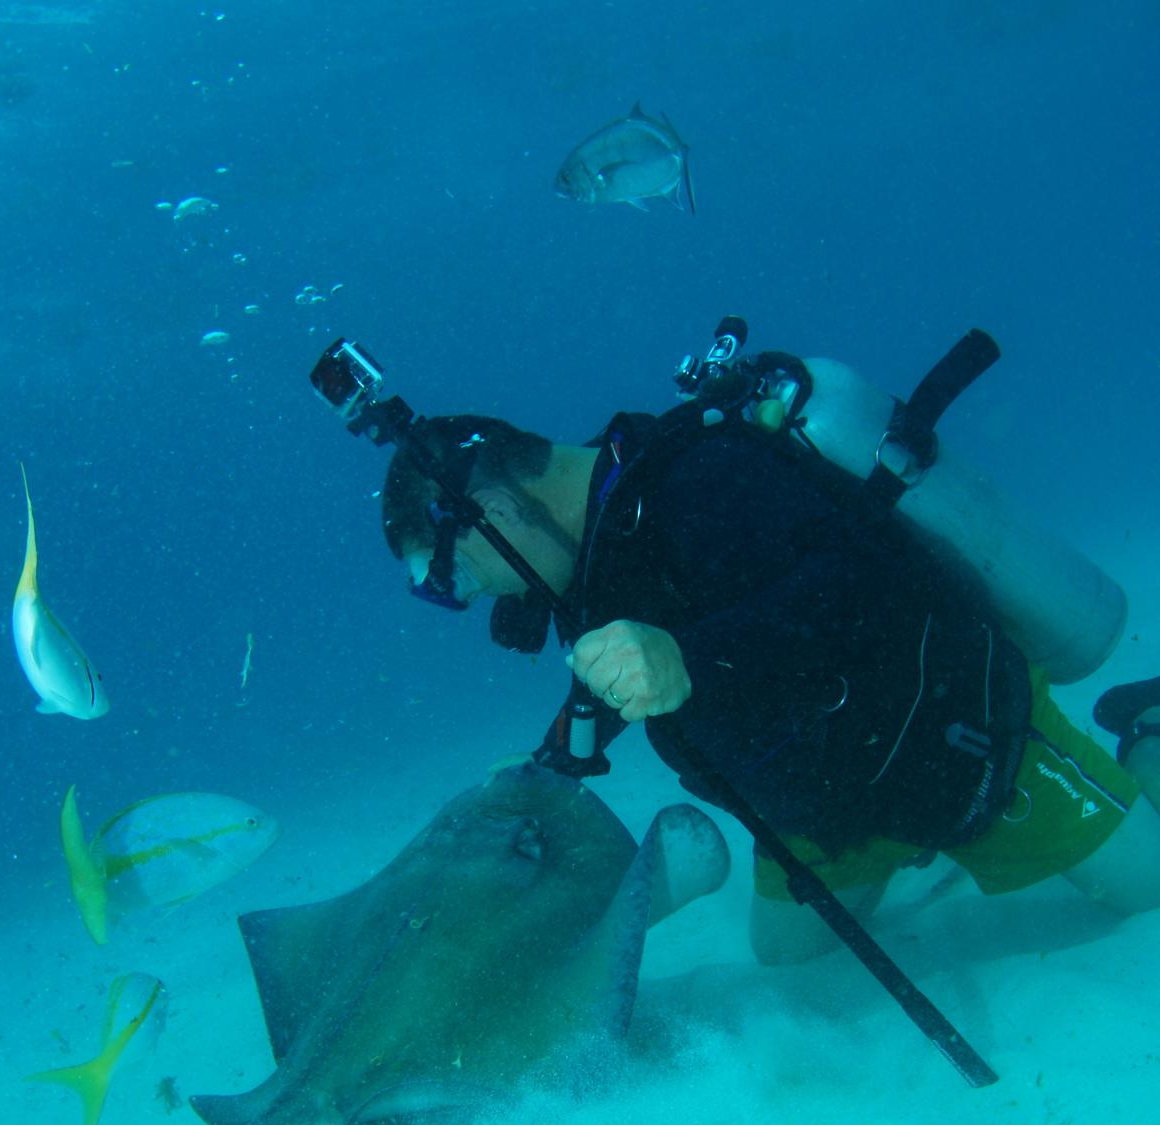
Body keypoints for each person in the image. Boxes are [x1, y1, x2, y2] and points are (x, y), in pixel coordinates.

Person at [377, 352, 1160, 966]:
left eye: (448, 577)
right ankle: (891, 856)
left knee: (1147, 892)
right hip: (824, 808)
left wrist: (690, 653)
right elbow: (618, 676)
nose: (468, 598)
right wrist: (550, 763)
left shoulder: (703, 479)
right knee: (789, 962)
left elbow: (869, 586)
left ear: (499, 513)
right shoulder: (594, 562)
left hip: (961, 750)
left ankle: (1145, 726)